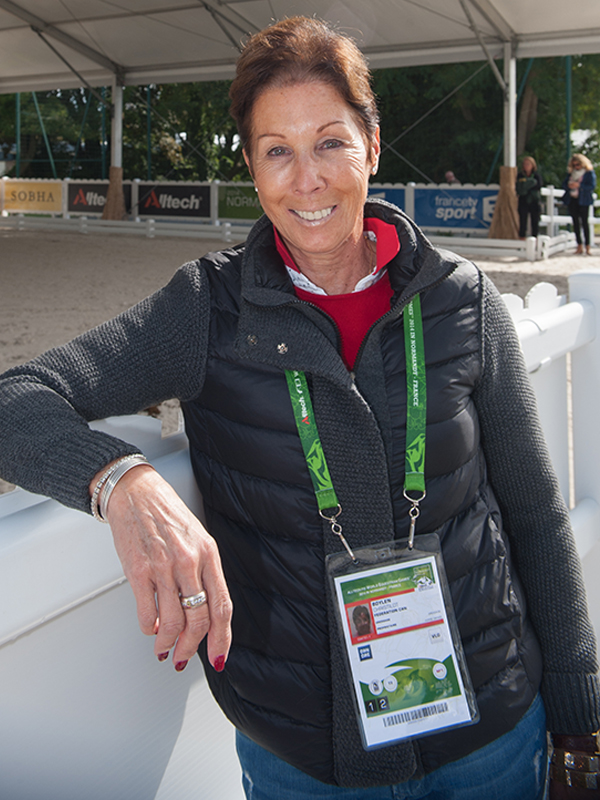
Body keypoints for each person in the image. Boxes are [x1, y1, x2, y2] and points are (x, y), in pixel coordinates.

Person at [0, 16, 598, 800]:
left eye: (329, 142)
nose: (306, 178)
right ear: (251, 168)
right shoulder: (204, 309)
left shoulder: (463, 300)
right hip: (305, 760)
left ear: (372, 146)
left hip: (490, 733)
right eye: (277, 151)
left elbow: (535, 516)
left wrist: (581, 720)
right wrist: (124, 482)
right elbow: (16, 400)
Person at [562, 153, 597, 255]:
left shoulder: (589, 173)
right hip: (573, 200)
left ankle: (588, 246)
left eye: (578, 164)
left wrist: (579, 185)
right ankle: (579, 246)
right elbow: (564, 184)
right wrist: (569, 185)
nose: (576, 167)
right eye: (574, 165)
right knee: (576, 223)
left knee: (584, 223)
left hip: (583, 200)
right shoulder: (570, 174)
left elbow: (591, 186)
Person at [516, 155, 543, 238]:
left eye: (528, 164)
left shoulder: (536, 176)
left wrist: (526, 184)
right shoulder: (520, 176)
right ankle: (522, 238)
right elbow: (519, 187)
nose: (526, 166)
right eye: (525, 164)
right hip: (523, 200)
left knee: (535, 221)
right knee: (523, 221)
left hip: (534, 200)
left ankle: (535, 239)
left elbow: (538, 185)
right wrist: (530, 183)